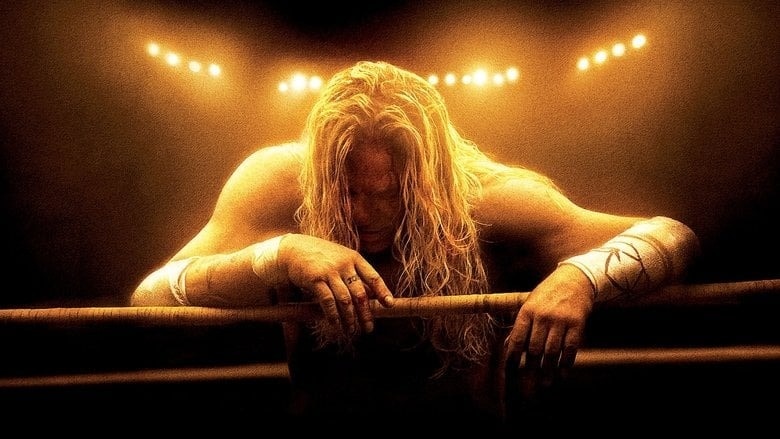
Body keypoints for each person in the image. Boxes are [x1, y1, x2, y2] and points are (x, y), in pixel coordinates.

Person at [130, 60, 700, 428]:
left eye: (390, 194)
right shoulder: (279, 185)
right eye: (347, 192)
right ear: (321, 178)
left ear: (429, 182)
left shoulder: (489, 198)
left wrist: (582, 278)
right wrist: (277, 255)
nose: (364, 213)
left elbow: (672, 234)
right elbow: (148, 299)